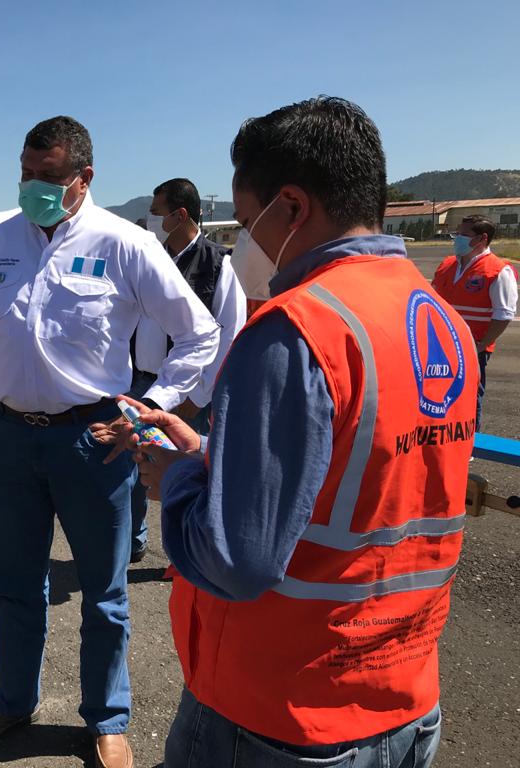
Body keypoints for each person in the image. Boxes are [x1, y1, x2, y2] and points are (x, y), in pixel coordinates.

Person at [105, 97, 477, 768]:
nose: (244, 242)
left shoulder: (294, 330)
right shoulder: (438, 317)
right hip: (405, 698)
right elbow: (357, 477)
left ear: (293, 207)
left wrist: (182, 477)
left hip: (283, 710)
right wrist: (213, 454)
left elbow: (236, 559)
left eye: (248, 222)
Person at [0, 116, 219, 768]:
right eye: (26, 173)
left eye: (49, 176)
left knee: (105, 596)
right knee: (14, 585)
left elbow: (199, 333)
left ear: (84, 178)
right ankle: (13, 700)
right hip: (7, 439)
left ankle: (107, 718)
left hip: (94, 442)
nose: (33, 186)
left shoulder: (125, 244)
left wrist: (152, 409)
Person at [128, 178, 246, 562]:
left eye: (156, 212)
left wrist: (197, 396)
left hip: (190, 394)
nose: (151, 220)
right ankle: (134, 541)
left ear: (179, 216)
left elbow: (229, 335)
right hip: (143, 386)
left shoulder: (218, 264)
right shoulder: (149, 259)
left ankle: (184, 556)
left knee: (185, 473)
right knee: (138, 468)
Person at [431, 214, 517, 431]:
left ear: (482, 238)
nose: (457, 238)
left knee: (469, 397)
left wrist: (481, 345)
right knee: (436, 396)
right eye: (458, 233)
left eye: (463, 234)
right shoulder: (447, 265)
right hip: (439, 346)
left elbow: (503, 314)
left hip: (472, 347)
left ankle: (470, 440)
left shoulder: (497, 270)